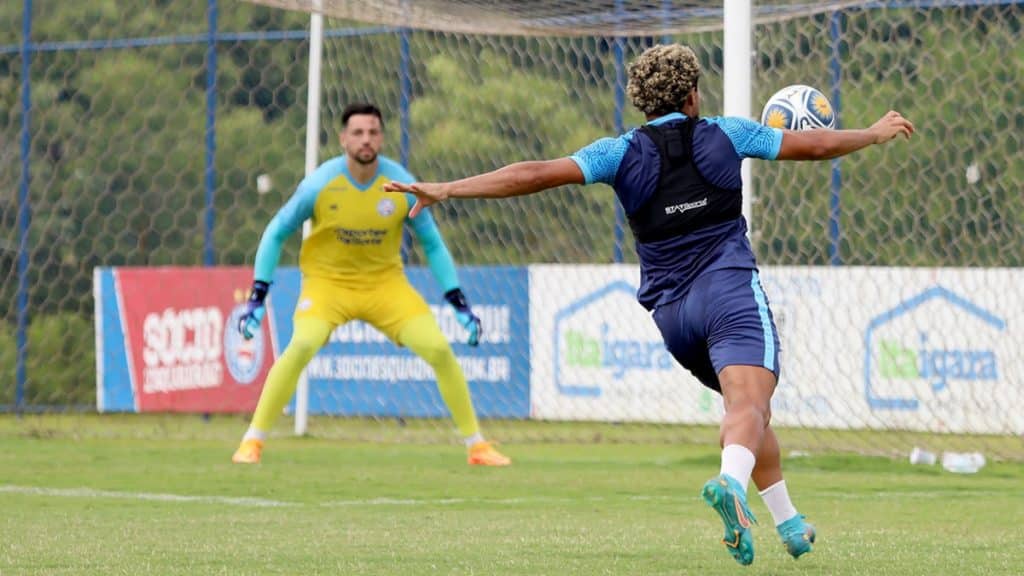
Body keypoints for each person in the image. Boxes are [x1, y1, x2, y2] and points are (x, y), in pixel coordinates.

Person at [385, 45, 913, 565]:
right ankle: (730, 484)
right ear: (692, 94)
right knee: (751, 405)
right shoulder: (729, 133)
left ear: (642, 102)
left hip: (673, 317)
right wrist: (871, 133)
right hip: (727, 291)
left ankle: (789, 523)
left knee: (745, 412)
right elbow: (815, 147)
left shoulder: (616, 153)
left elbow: (536, 174)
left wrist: (449, 189)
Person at [232, 102, 511, 467]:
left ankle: (477, 446)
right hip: (327, 286)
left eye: (374, 132)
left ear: (382, 137)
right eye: (359, 133)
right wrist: (257, 297)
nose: (367, 140)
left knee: (440, 351)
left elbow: (432, 243)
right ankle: (252, 441)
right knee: (301, 345)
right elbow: (275, 233)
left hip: (386, 287)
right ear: (343, 139)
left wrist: (458, 303)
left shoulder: (400, 184)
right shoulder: (319, 184)